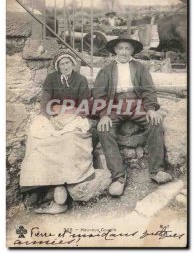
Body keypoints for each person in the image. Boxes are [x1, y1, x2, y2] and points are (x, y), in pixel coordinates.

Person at [92, 35, 171, 197]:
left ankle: (156, 170)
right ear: (115, 50)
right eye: (121, 48)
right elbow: (99, 94)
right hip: (115, 105)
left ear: (132, 51)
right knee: (104, 130)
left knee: (155, 122)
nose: (124, 52)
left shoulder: (139, 68)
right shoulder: (106, 70)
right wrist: (104, 115)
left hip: (136, 104)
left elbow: (148, 90)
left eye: (128, 48)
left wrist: (150, 108)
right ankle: (119, 177)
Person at [20, 50, 95, 214]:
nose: (66, 66)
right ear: (57, 66)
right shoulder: (51, 79)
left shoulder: (80, 80)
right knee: (38, 137)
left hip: (74, 116)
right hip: (54, 116)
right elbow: (45, 102)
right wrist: (51, 118)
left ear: (73, 64)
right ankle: (37, 185)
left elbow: (85, 106)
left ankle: (63, 183)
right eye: (62, 64)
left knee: (69, 138)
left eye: (68, 63)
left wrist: (69, 115)